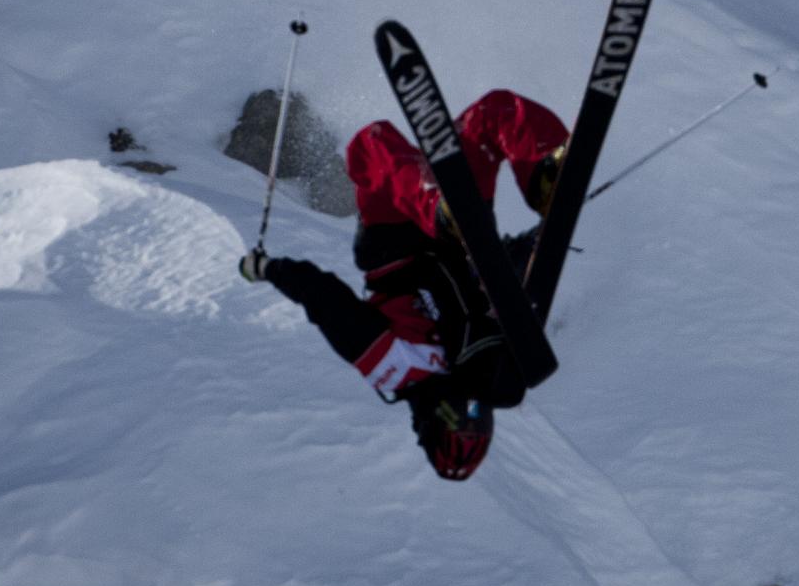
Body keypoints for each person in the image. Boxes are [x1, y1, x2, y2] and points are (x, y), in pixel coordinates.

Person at [242, 89, 568, 480]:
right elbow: (495, 280)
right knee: (489, 117)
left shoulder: (397, 368)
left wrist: (269, 269)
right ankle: (543, 175)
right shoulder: (487, 365)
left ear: (434, 424)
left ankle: (441, 203)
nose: (471, 413)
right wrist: (535, 247)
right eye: (478, 423)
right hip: (453, 236)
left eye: (462, 422)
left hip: (393, 240)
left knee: (370, 145)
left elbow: (325, 298)